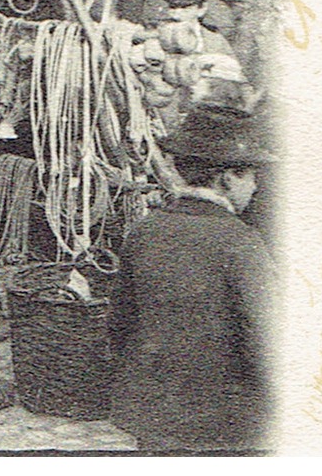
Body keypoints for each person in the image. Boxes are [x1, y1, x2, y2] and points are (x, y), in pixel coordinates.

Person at [109, 103, 274, 453]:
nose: (256, 186)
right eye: (251, 175)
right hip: (223, 426)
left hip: (153, 415)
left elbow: (120, 326)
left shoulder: (144, 231)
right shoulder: (240, 243)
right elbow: (267, 342)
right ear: (227, 178)